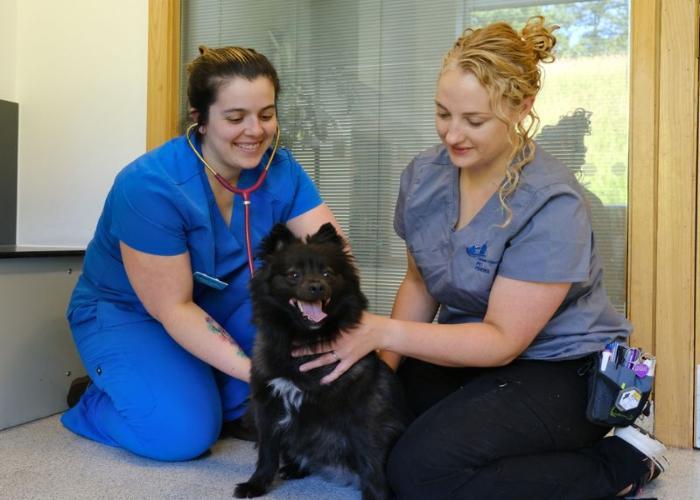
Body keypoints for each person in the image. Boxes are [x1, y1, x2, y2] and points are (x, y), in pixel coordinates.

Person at [293, 17, 668, 499]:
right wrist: (380, 375)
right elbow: (419, 283)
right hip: (464, 353)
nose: (452, 135)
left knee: (419, 475)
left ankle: (623, 461)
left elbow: (502, 342)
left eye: (474, 121)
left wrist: (380, 332)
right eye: (442, 113)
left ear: (522, 108)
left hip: (558, 370)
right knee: (367, 440)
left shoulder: (552, 202)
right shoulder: (424, 177)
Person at [61, 46, 341, 461]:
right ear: (199, 117)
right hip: (132, 313)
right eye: (235, 118)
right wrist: (262, 376)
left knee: (311, 366)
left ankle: (191, 383)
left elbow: (334, 254)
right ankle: (96, 400)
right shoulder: (149, 186)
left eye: (266, 114)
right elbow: (174, 308)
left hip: (220, 305)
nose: (255, 131)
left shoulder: (279, 169)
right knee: (182, 434)